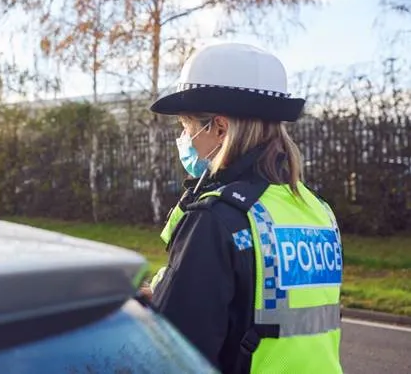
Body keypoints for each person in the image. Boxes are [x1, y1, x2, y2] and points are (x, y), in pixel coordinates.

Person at [139, 43, 343, 374]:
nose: (185, 138)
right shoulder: (317, 210)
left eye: (186, 126)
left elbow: (176, 355)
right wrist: (162, 292)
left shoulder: (218, 218)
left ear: (219, 128)